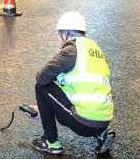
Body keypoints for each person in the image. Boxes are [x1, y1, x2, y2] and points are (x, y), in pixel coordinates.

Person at [31, 11, 115, 155]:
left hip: (84, 123)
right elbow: (82, 81)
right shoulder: (94, 49)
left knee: (41, 87)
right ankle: (102, 134)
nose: (59, 37)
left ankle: (51, 142)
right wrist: (45, 107)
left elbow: (42, 77)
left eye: (59, 33)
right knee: (61, 100)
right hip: (104, 120)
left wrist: (45, 105)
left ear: (65, 33)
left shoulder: (71, 50)